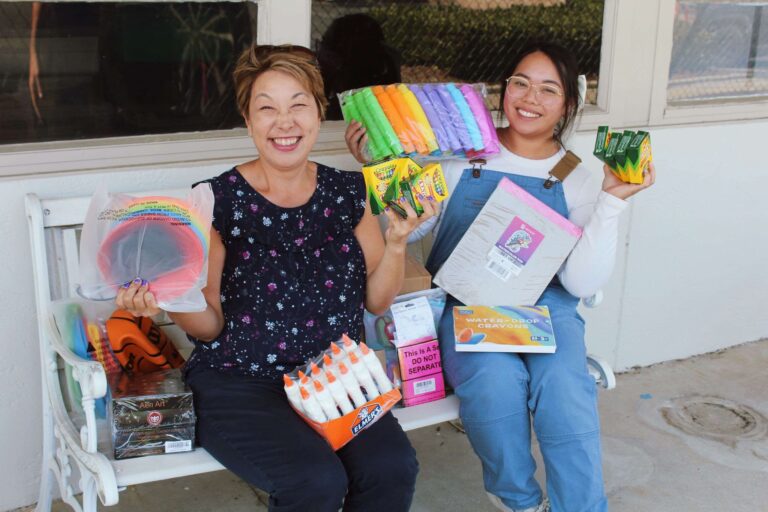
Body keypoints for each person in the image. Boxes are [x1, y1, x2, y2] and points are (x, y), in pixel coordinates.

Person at [117, 44, 436, 512]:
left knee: (391, 467)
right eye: (266, 108)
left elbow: (377, 302)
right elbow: (208, 326)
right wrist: (168, 296)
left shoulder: (349, 193)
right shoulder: (215, 202)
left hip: (335, 379)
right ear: (248, 121)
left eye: (298, 105)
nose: (284, 122)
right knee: (314, 482)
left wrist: (395, 243)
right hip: (241, 384)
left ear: (318, 112)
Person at [346, 41, 655, 512]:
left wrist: (613, 201)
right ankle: (520, 501)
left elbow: (581, 283)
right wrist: (379, 166)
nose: (531, 98)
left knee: (563, 388)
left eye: (549, 89)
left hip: (549, 306)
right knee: (494, 383)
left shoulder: (578, 177)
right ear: (502, 90)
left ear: (569, 103)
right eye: (520, 83)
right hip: (470, 305)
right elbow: (409, 229)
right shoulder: (462, 157)